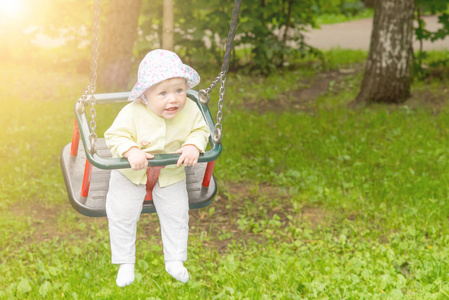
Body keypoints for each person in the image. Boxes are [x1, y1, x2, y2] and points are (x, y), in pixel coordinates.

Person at [104, 49, 210, 287]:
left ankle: (175, 260)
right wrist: (130, 150)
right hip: (130, 175)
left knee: (177, 214)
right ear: (145, 97)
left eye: (179, 91)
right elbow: (114, 136)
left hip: (171, 173)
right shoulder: (132, 113)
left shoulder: (191, 109)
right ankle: (125, 262)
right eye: (162, 93)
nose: (173, 99)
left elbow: (201, 130)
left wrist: (193, 145)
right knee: (121, 212)